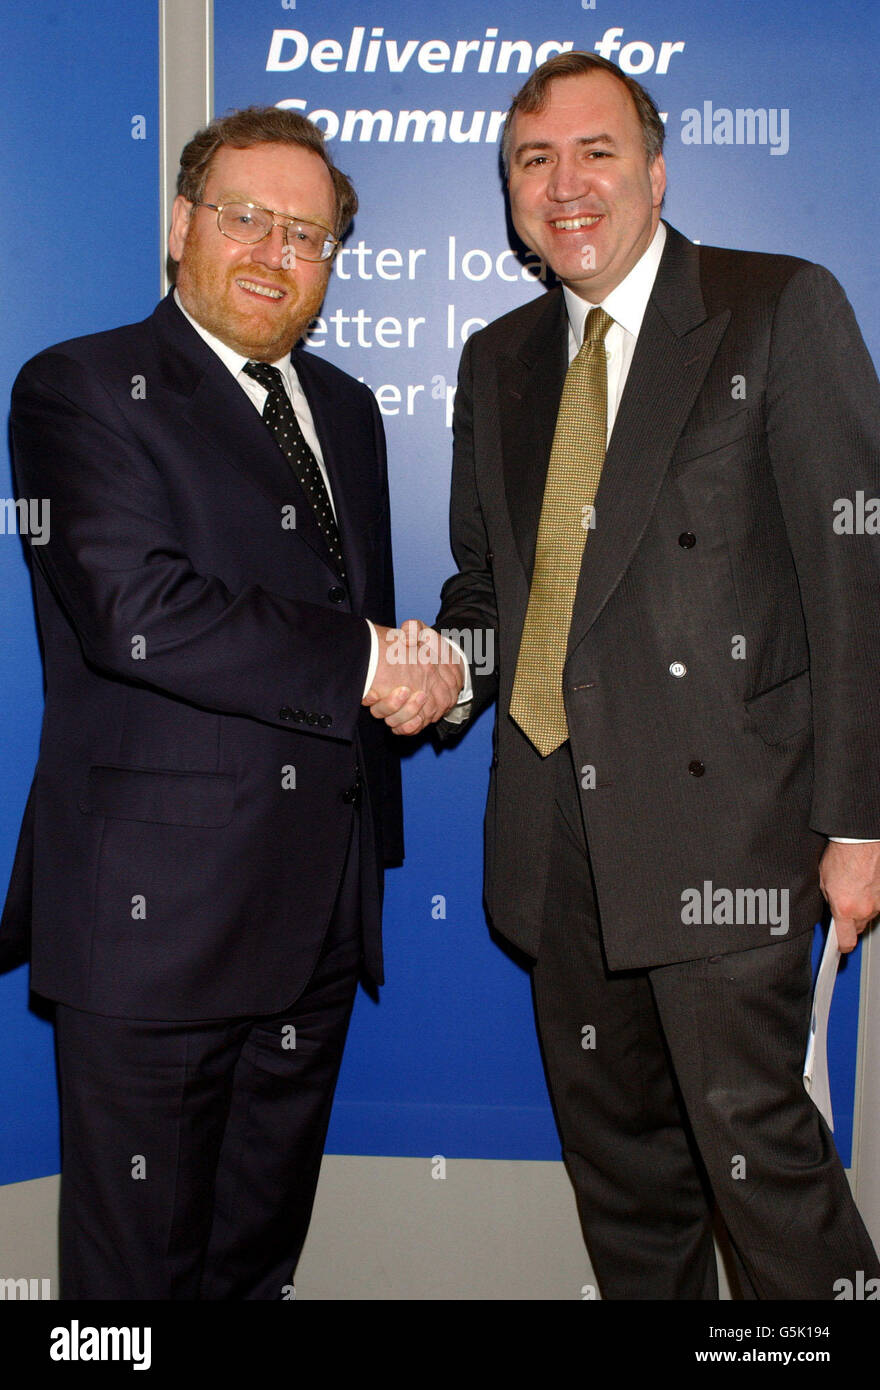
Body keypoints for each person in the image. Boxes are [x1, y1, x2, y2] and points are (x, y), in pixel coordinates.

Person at [433, 52, 880, 1298]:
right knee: (624, 1190)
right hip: (555, 846)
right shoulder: (497, 357)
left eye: (595, 152)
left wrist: (860, 821)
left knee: (768, 1179)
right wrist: (440, 672)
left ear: (656, 169)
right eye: (533, 161)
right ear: (510, 192)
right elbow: (489, 594)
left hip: (726, 836)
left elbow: (857, 572)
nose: (564, 184)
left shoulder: (777, 305)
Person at [0, 105, 461, 1299]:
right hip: (157, 932)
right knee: (132, 1289)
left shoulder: (347, 411)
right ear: (179, 227)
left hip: (314, 918)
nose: (273, 253)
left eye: (307, 235)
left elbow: (353, 620)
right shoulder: (80, 386)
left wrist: (429, 678)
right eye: (245, 218)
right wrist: (372, 662)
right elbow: (133, 606)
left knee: (255, 1265)